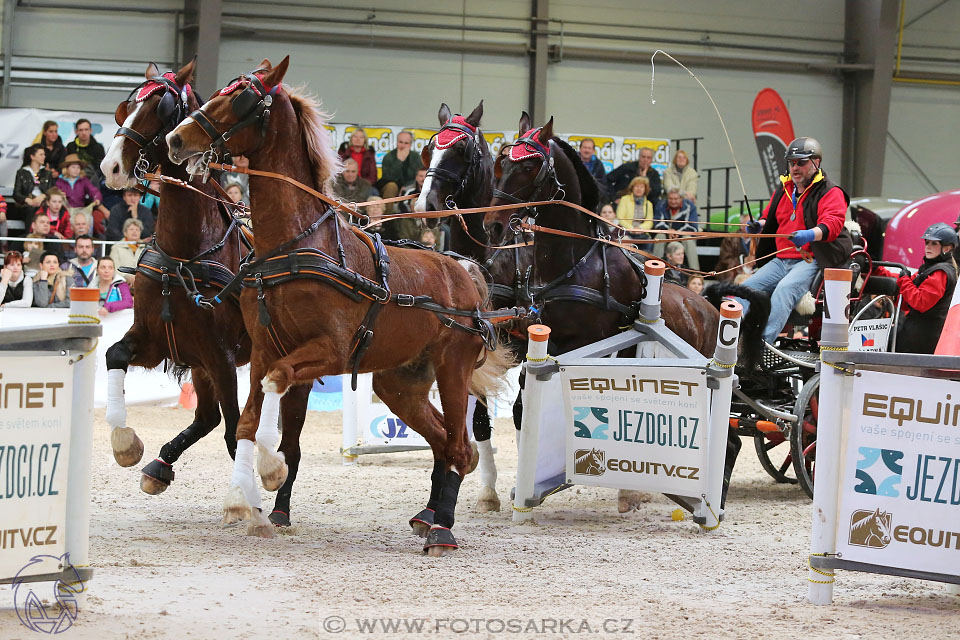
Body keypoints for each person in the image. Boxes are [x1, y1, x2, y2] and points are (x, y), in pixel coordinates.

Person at [738, 137, 850, 345]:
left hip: (811, 260)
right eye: (791, 162)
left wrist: (809, 234)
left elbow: (833, 224)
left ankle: (760, 347)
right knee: (744, 290)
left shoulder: (831, 192)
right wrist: (760, 224)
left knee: (784, 290)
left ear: (816, 162)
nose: (794, 167)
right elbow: (770, 216)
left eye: (801, 162)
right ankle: (733, 339)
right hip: (781, 260)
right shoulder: (784, 190)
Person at [872, 222, 958, 354]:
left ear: (947, 248)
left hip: (923, 339)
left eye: (934, 243)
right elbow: (906, 284)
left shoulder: (940, 272)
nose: (928, 247)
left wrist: (904, 279)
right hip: (916, 336)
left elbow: (920, 302)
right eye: (927, 242)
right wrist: (877, 270)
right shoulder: (931, 269)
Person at [56, 154, 109, 237]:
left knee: (89, 219)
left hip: (81, 210)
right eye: (73, 167)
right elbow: (55, 193)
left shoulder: (83, 180)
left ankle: (87, 239)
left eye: (78, 167)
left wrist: (96, 198)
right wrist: (59, 194)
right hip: (65, 210)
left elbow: (93, 190)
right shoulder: (60, 181)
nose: (76, 170)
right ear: (67, 168)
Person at [653, 187, 701, 270]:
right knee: (659, 236)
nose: (673, 201)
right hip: (666, 235)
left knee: (688, 240)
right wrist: (668, 231)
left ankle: (695, 273)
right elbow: (657, 223)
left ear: (681, 198)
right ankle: (655, 268)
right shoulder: (661, 204)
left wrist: (678, 232)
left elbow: (693, 226)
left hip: (683, 235)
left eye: (676, 199)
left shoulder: (690, 206)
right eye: (670, 199)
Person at [377, 131, 421, 213]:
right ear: (396, 142)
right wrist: (399, 161)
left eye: (406, 143)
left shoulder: (416, 157)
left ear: (410, 144)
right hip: (393, 187)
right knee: (391, 186)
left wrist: (406, 186)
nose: (403, 146)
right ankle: (387, 218)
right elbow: (387, 178)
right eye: (400, 142)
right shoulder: (388, 157)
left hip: (410, 187)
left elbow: (418, 175)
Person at [12, 144, 54, 225]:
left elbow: (50, 190)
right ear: (32, 156)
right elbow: (16, 193)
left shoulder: (47, 173)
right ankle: (30, 235)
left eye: (44, 154)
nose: (44, 157)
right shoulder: (22, 172)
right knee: (30, 209)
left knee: (44, 209)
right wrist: (28, 200)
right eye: (41, 154)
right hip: (27, 205)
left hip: (43, 203)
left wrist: (42, 196)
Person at [110, 218, 145, 287]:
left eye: (137, 230)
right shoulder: (116, 247)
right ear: (125, 233)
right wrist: (127, 277)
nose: (134, 231)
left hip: (143, 284)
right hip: (121, 284)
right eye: (131, 229)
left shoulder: (146, 248)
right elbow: (113, 268)